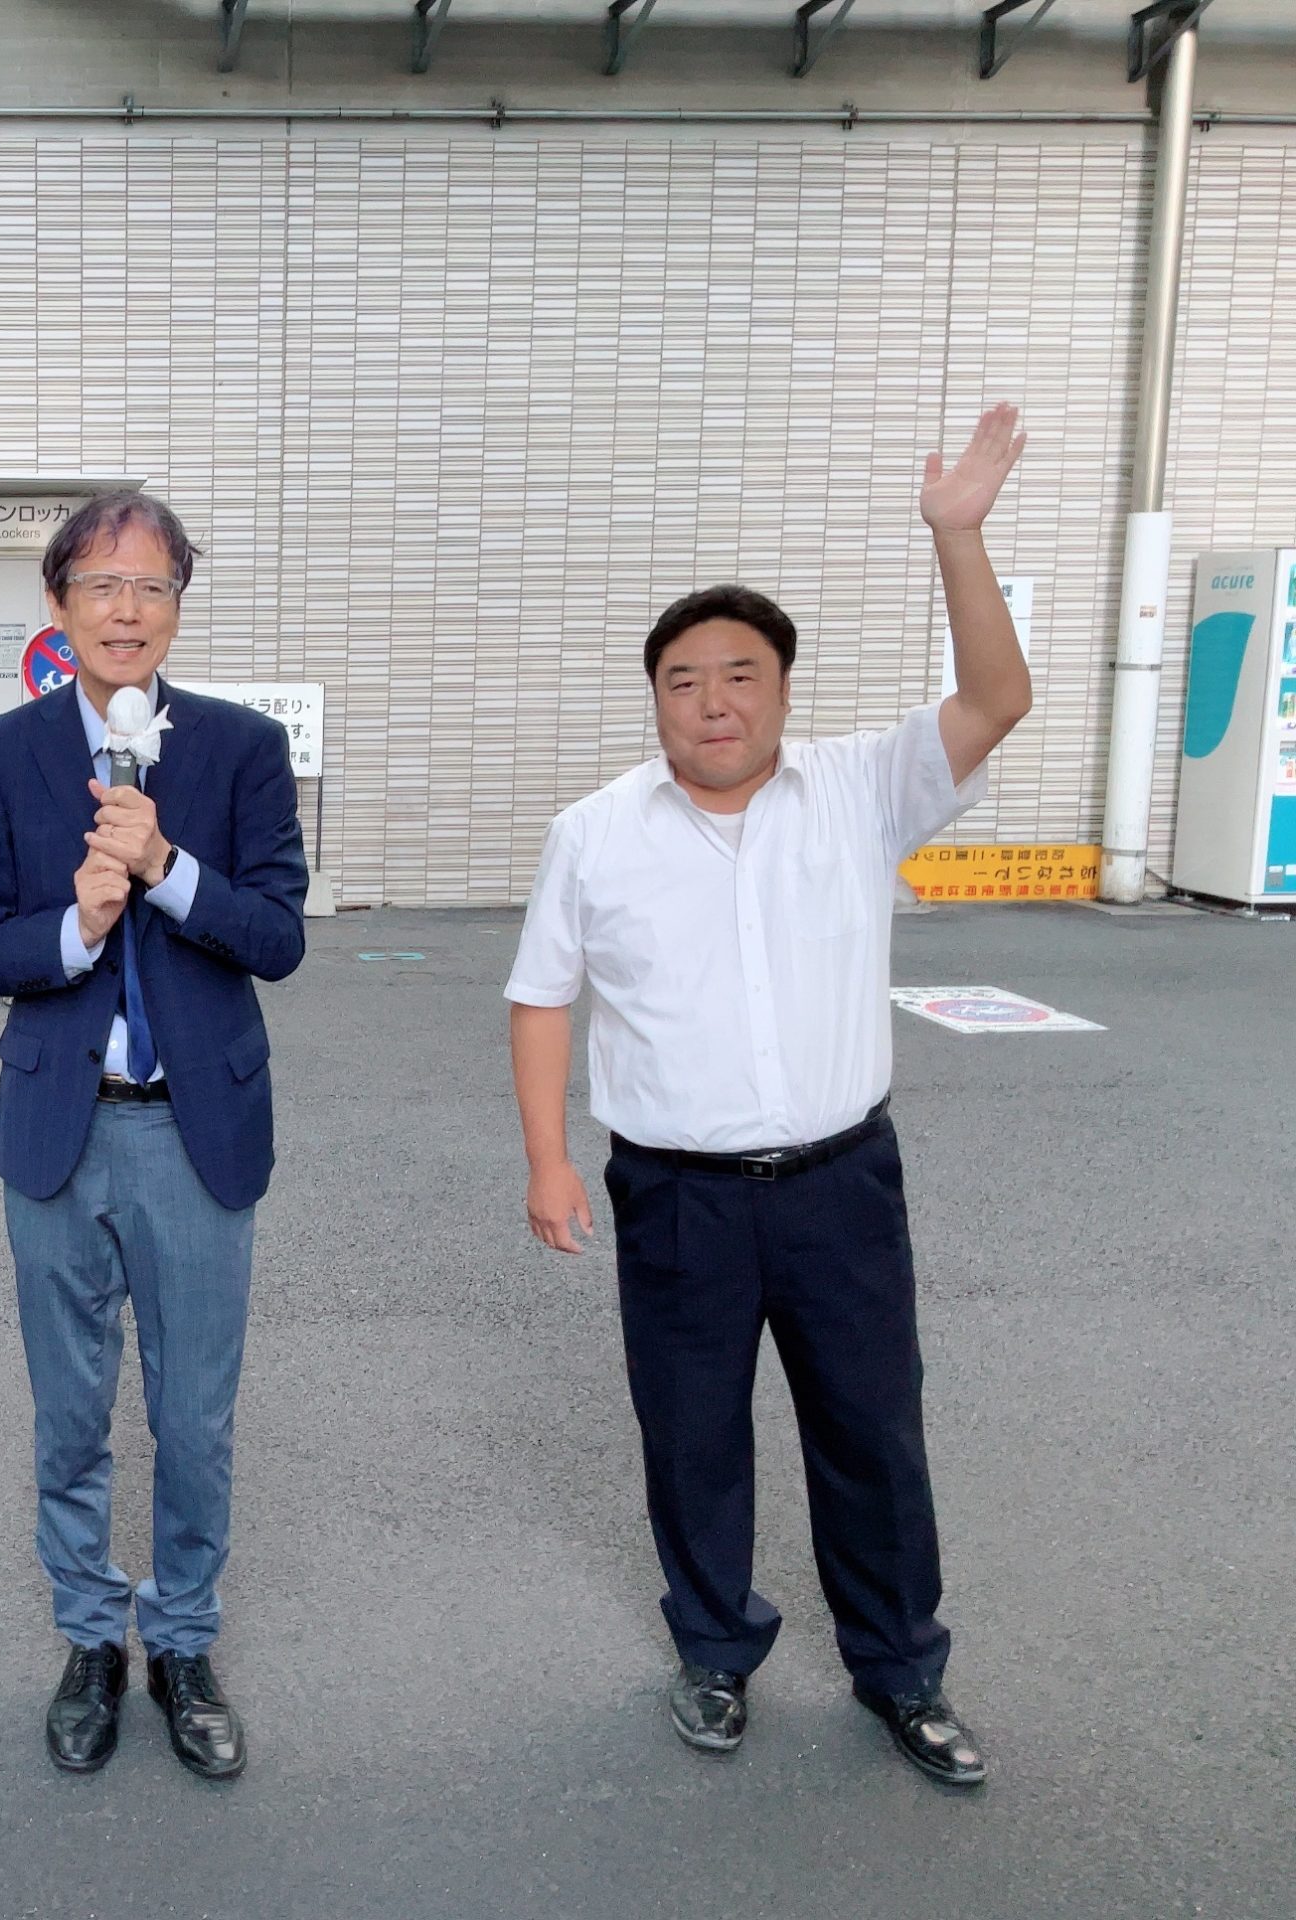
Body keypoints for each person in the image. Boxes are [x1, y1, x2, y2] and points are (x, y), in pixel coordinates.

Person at [503, 405, 1035, 1789]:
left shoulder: (861, 790)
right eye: (683, 680)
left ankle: (901, 1671)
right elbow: (541, 997)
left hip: (841, 1185)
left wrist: (958, 538)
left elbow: (997, 701)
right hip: (675, 1193)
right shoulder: (595, 834)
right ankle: (714, 1653)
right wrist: (549, 1161)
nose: (713, 701)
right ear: (657, 702)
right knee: (692, 1438)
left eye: (741, 674)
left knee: (873, 1431)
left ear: (785, 692)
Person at [0, 490, 307, 1780]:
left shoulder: (242, 749)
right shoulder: (2, 753)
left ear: (177, 606)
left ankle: (186, 1641)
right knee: (70, 1413)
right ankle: (92, 1636)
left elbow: (279, 936)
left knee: (195, 1417)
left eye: (152, 585)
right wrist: (77, 926)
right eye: (101, 584)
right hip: (60, 1127)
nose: (127, 608)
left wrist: (168, 870)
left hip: (197, 1131)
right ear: (59, 605)